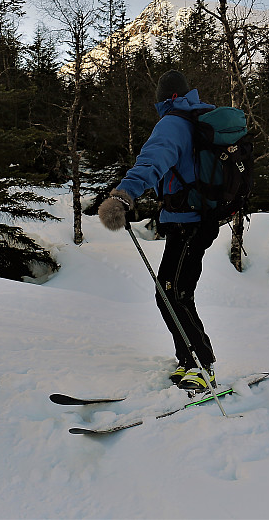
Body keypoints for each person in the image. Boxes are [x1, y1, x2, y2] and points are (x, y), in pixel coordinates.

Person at [98, 70, 221, 391]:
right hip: (203, 219)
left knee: (170, 293)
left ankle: (200, 364)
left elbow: (150, 163)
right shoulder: (202, 117)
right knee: (177, 292)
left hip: (187, 222)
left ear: (164, 97)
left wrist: (122, 196)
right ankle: (191, 358)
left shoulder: (173, 123)